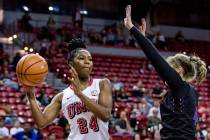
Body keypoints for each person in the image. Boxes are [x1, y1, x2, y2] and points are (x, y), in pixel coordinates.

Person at [124, 5, 207, 140]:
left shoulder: (181, 87)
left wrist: (133, 30)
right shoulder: (186, 91)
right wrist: (143, 39)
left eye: (170, 67)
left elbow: (156, 59)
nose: (166, 70)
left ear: (179, 70)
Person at [22, 38, 113, 140]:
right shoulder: (62, 96)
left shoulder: (102, 84)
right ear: (71, 63)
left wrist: (80, 94)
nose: (87, 62)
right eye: (81, 58)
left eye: (90, 59)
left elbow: (105, 115)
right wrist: (31, 97)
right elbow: (41, 122)